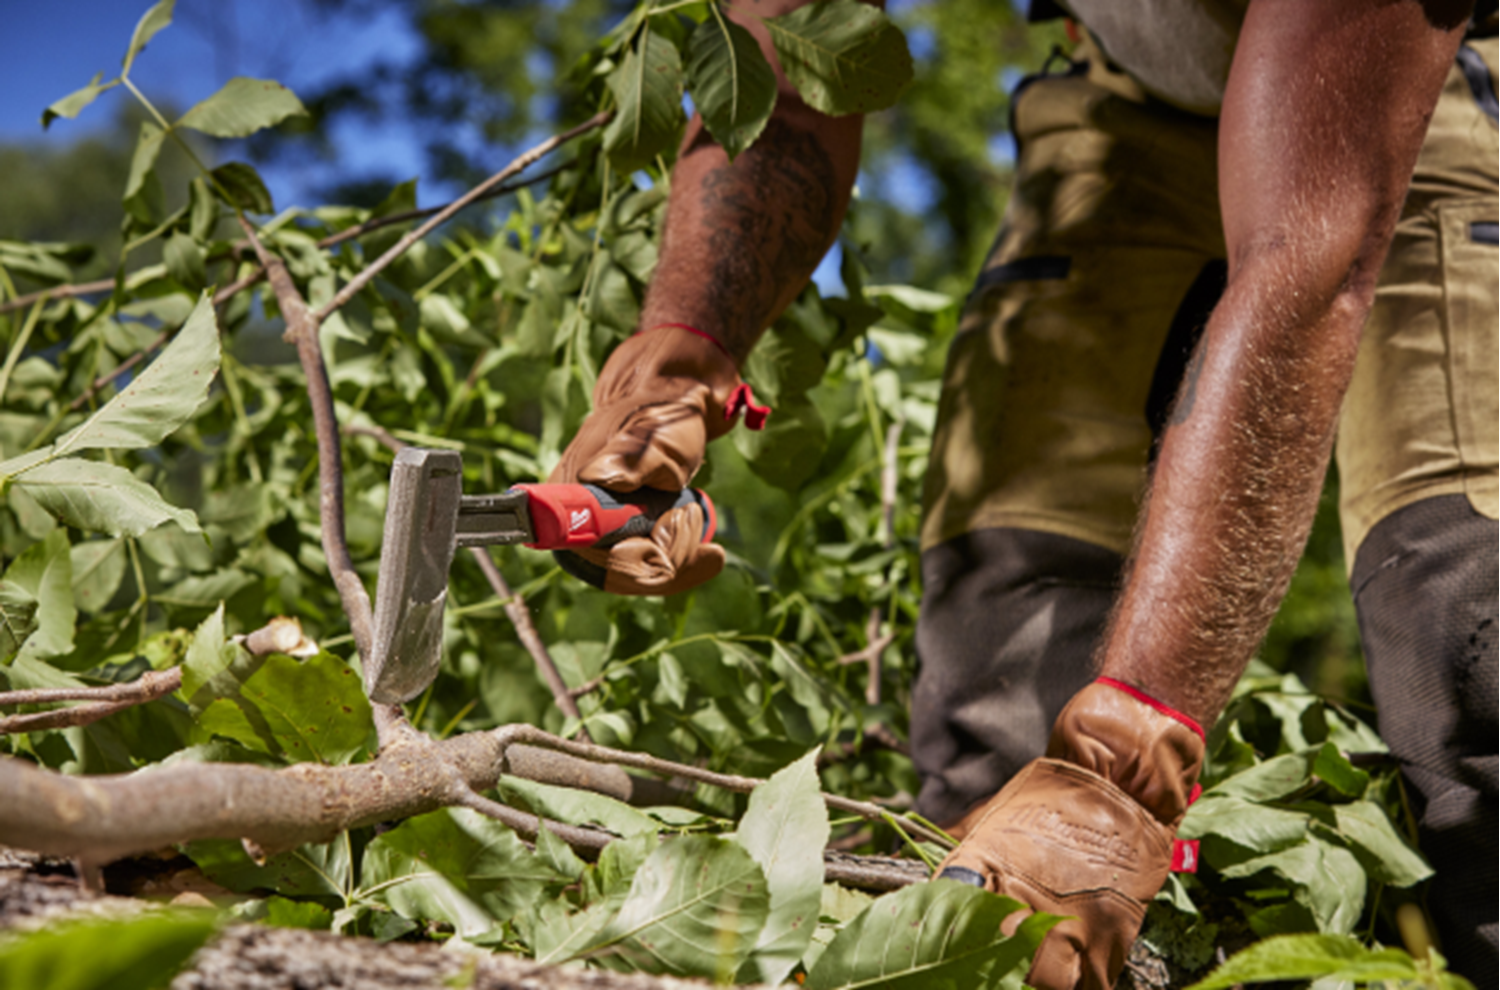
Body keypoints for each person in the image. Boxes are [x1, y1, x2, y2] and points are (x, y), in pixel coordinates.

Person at [548, 0, 1498, 986]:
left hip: (1422, 94)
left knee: (1465, 638)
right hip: (1126, 104)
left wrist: (1123, 763)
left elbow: (1309, 263)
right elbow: (784, 82)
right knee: (1000, 664)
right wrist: (675, 362)